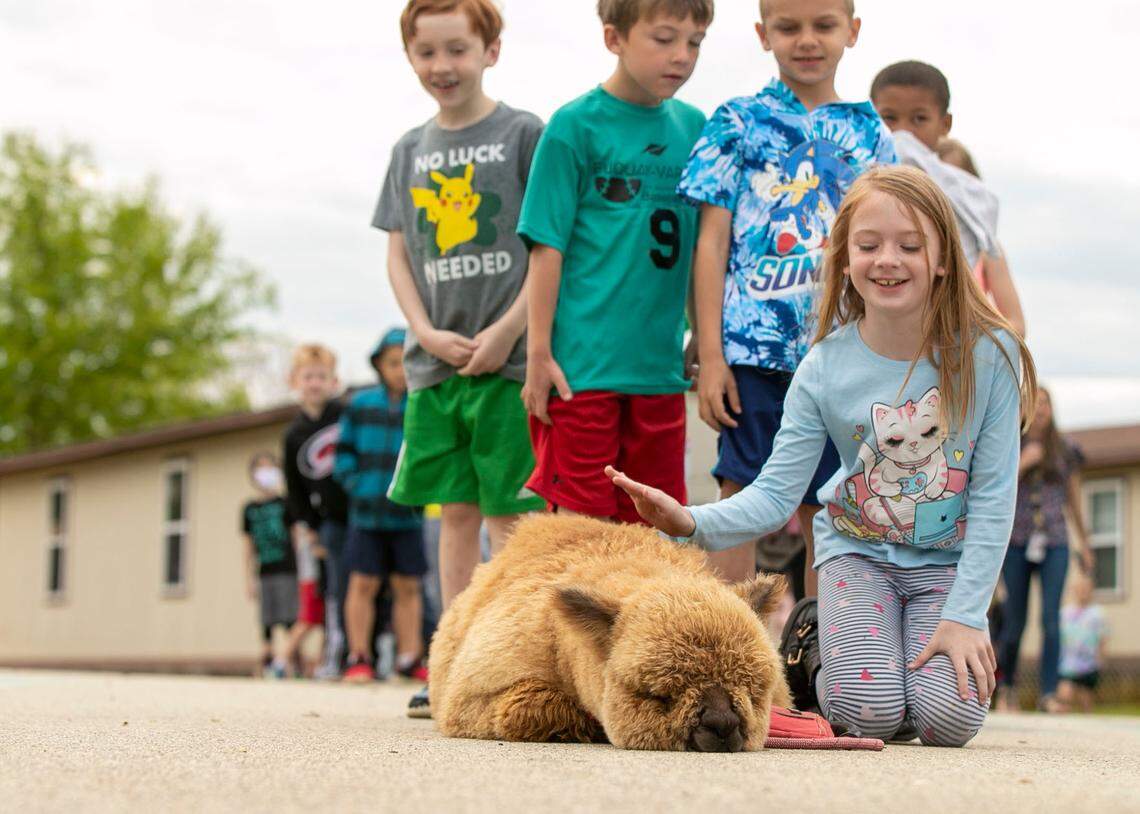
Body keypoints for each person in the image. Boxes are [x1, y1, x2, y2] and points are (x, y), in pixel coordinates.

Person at [608, 166, 1037, 747]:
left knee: (948, 720)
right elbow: (777, 493)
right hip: (858, 556)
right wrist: (691, 520)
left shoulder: (990, 356)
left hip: (947, 567)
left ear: (943, 259)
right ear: (844, 258)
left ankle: (890, 666)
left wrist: (966, 617)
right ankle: (814, 647)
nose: (888, 259)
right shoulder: (824, 367)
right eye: (869, 245)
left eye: (910, 245)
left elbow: (992, 499)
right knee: (870, 715)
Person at [676, 0, 894, 590]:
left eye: (823, 26)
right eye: (788, 27)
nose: (806, 40)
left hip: (841, 355)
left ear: (851, 30)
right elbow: (711, 243)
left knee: (830, 508)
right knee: (740, 493)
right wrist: (714, 354)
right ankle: (728, 658)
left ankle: (823, 660)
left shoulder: (869, 131)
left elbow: (894, 241)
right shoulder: (736, 121)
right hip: (751, 353)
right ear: (762, 33)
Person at [374, 0, 547, 715]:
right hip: (436, 367)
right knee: (455, 515)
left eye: (457, 50)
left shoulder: (522, 133)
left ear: (490, 51)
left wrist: (511, 330)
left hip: (503, 366)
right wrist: (423, 330)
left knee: (510, 517)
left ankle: (505, 654)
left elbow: (547, 244)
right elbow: (396, 251)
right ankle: (450, 657)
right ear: (411, 58)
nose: (442, 67)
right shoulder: (409, 149)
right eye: (428, 53)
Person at [517, 0, 713, 526]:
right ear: (615, 39)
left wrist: (699, 330)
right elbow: (546, 248)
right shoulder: (573, 126)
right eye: (664, 39)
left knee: (656, 532)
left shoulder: (697, 129)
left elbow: (699, 245)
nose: (681, 56)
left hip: (658, 370)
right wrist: (537, 354)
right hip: (581, 372)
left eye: (694, 42)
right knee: (580, 534)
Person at [870, 60, 1025, 337]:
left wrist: (972, 341)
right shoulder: (858, 192)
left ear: (945, 124)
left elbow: (1015, 323)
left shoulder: (978, 229)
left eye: (919, 119)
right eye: (890, 118)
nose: (903, 132)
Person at [334, 328, 426, 683]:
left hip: (407, 514)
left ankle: (409, 657)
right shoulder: (360, 404)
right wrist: (356, 486)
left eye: (405, 362)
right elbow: (341, 454)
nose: (399, 370)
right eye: (392, 362)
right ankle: (358, 656)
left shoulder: (422, 403)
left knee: (408, 586)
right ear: (378, 364)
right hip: (366, 514)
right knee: (363, 584)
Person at [997, 387, 1094, 713]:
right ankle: (1007, 688)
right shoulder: (1009, 443)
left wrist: (1086, 543)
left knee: (1052, 619)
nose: (1040, 410)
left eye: (1045, 404)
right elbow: (996, 490)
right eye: (1034, 404)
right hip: (1017, 542)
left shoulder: (1065, 450)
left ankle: (1049, 693)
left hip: (1055, 542)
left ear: (1052, 410)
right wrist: (1023, 463)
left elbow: (1075, 500)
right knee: (1014, 621)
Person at [282, 344, 350, 678]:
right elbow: (294, 488)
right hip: (326, 523)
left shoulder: (345, 416)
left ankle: (367, 652)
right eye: (308, 376)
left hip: (358, 513)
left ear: (333, 380)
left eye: (321, 376)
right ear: (295, 380)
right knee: (333, 588)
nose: (314, 383)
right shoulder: (293, 435)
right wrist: (308, 526)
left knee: (366, 585)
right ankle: (335, 653)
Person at [241, 452, 298, 678]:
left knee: (290, 617)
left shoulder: (286, 503)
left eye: (271, 467)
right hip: (264, 569)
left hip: (287, 567)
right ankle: (267, 660)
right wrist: (247, 578)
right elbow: (247, 545)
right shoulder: (249, 509)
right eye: (261, 468)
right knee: (266, 618)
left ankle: (291, 661)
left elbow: (295, 536)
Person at [1057, 572, 1109, 713]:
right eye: (1080, 589)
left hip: (1088, 665)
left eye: (1086, 589)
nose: (1083, 592)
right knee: (1064, 696)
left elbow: (1102, 638)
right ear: (1074, 590)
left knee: (1086, 702)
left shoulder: (1097, 614)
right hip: (1068, 664)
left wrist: (1101, 659)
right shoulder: (1065, 613)